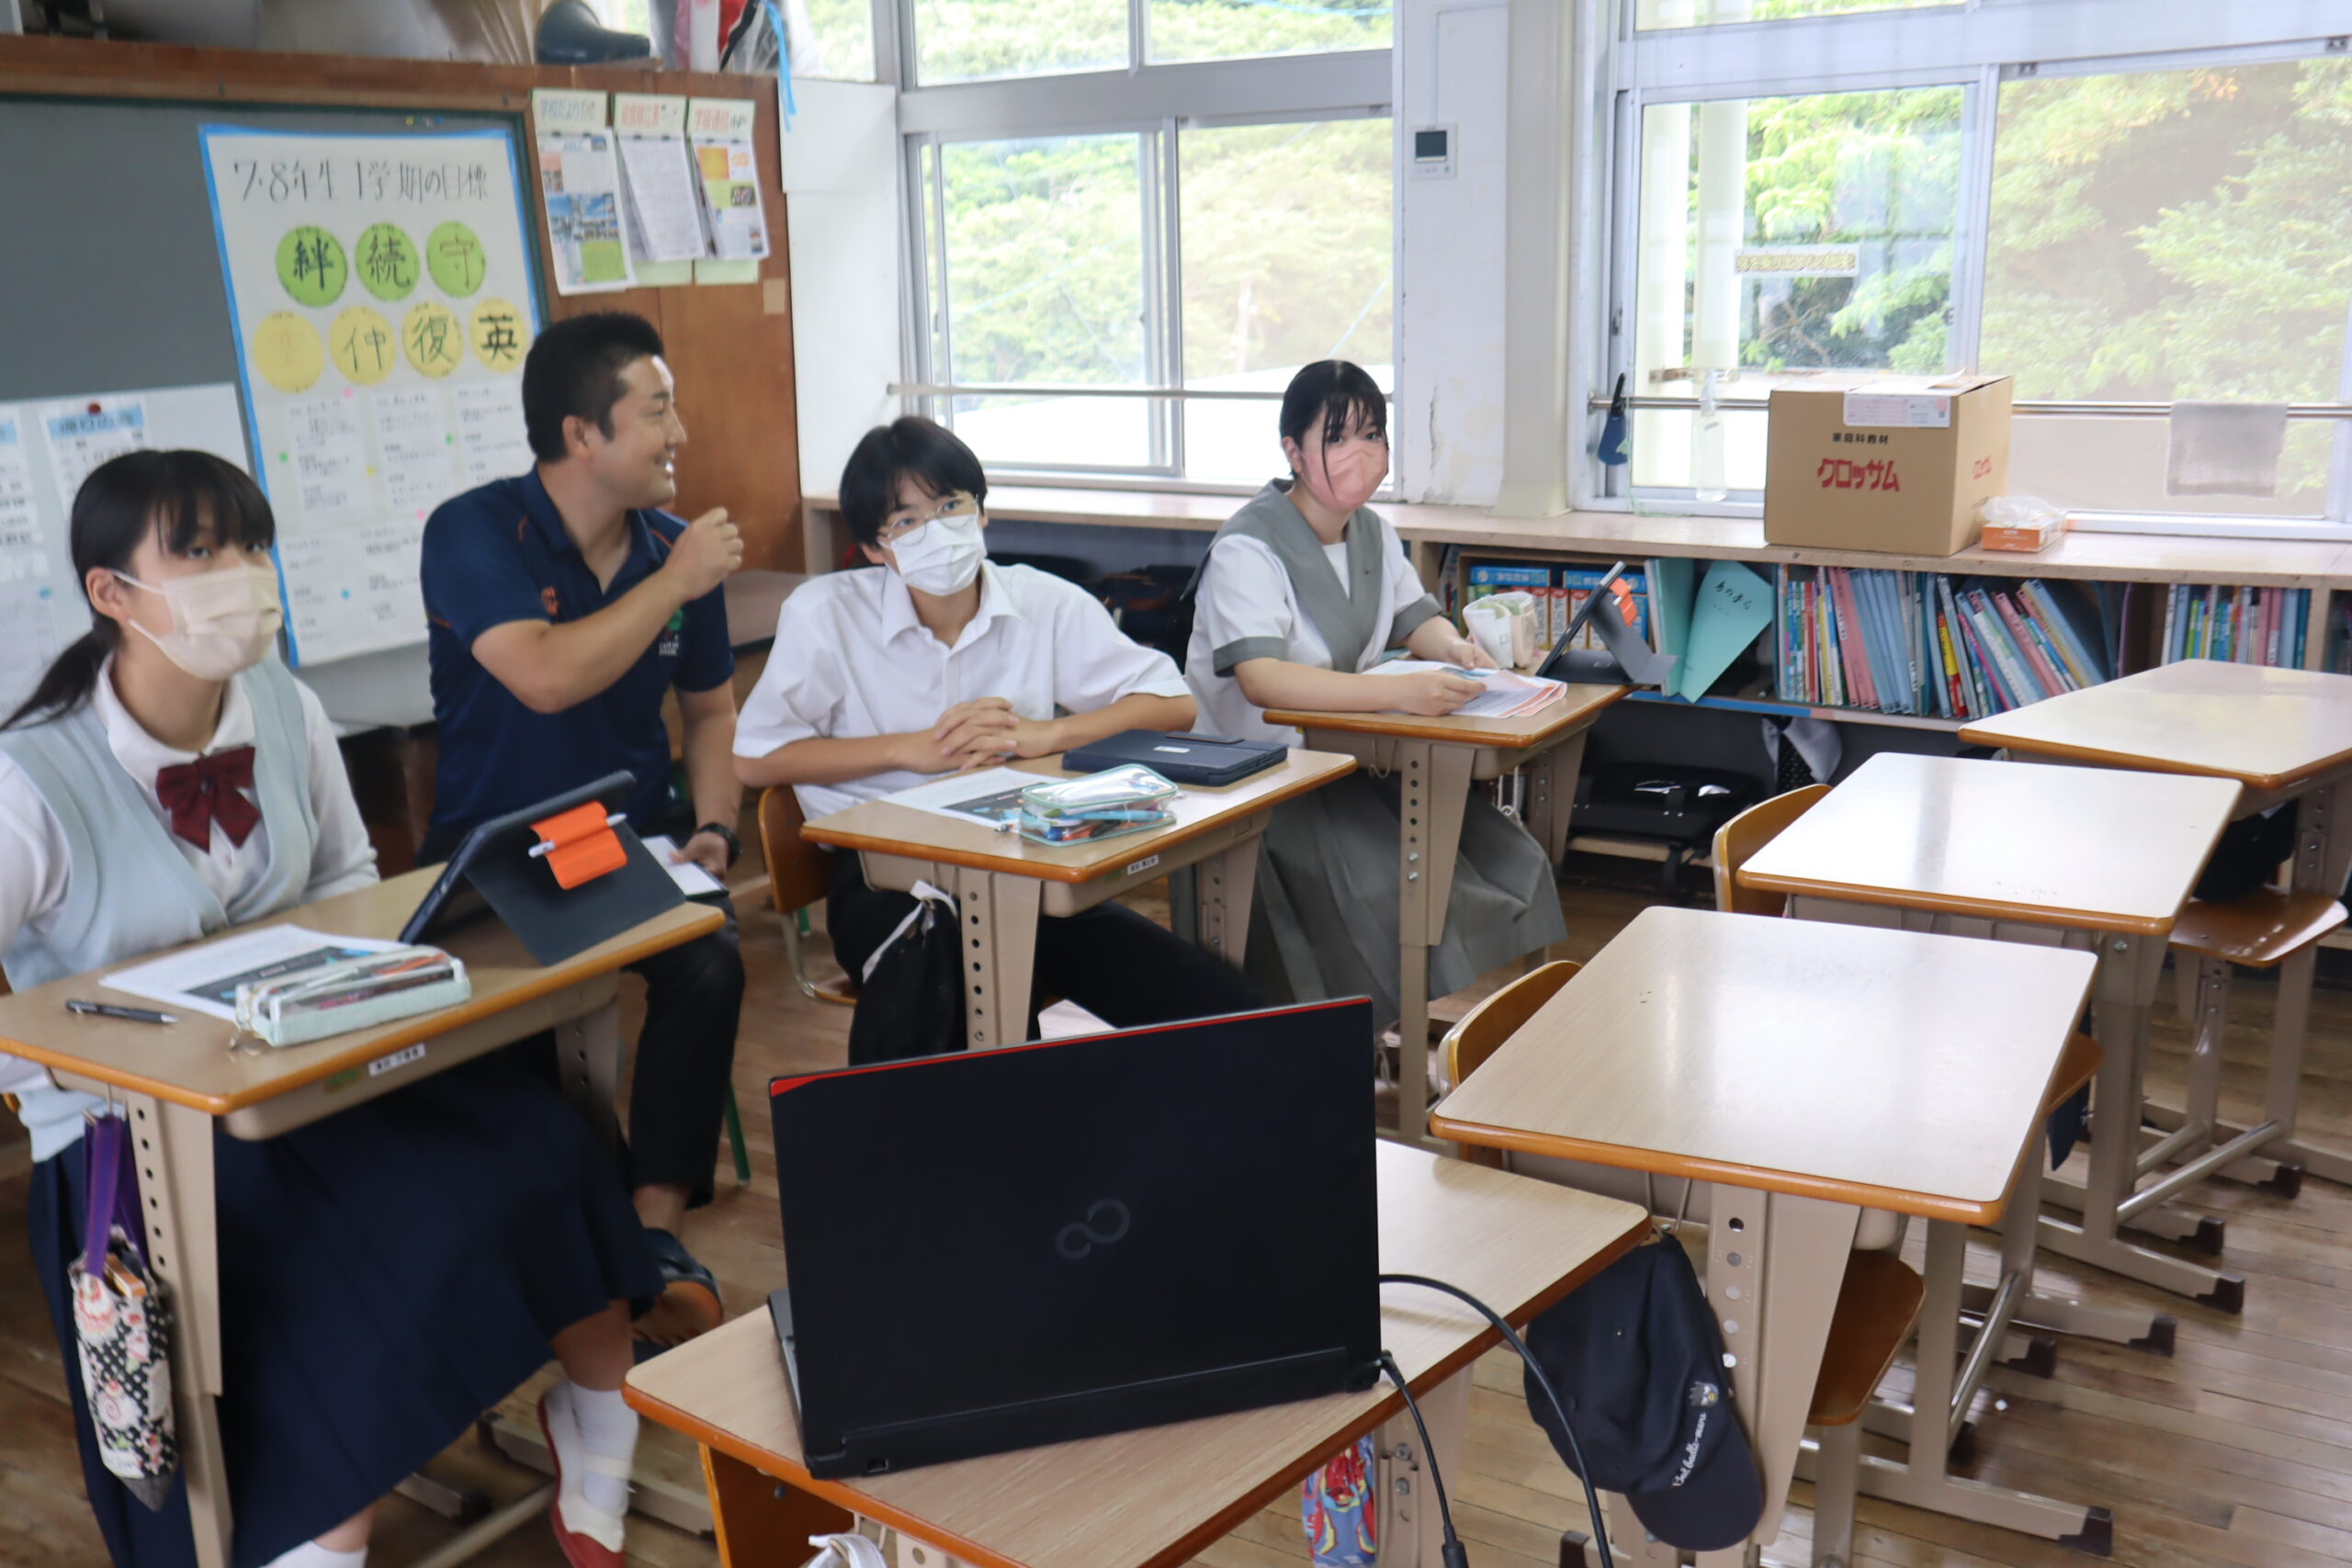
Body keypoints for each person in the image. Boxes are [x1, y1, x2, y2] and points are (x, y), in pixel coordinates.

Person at [0, 450, 655, 1568]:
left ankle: (603, 1418)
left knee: (542, 1146)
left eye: (250, 546)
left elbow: (349, 884)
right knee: (339, 1282)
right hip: (144, 1136)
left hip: (317, 1074)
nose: (240, 574)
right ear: (112, 593)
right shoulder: (31, 779)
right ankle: (323, 1528)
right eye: (198, 551)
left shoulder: (279, 701)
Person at [418, 311, 742, 1341]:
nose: (680, 432)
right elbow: (546, 676)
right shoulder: (473, 530)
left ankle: (652, 1233)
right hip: (489, 858)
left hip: (619, 846)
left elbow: (710, 710)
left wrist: (718, 828)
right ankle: (571, 1253)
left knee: (711, 956)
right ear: (582, 435)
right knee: (515, 1071)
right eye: (657, 412)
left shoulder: (670, 550)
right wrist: (676, 583)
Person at [733, 415, 1263, 1039]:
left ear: (981, 513)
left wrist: (1046, 734)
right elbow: (758, 758)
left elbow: (1172, 702)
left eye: (951, 505)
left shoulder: (1042, 601)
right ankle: (969, 1131)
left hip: (1025, 867)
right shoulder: (827, 615)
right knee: (954, 981)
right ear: (876, 548)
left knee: (1215, 1001)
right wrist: (911, 750)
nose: (937, 532)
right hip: (887, 879)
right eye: (907, 521)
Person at [1185, 359, 1566, 1024]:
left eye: (1371, 434)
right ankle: (1362, 1043)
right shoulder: (1248, 549)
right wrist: (1397, 696)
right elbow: (1262, 678)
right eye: (1336, 437)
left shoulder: (1371, 532)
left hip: (1351, 762)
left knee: (1511, 857)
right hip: (1269, 782)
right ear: (1293, 452)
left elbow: (1412, 616)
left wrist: (1458, 650)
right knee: (1393, 890)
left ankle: (1458, 1035)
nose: (1358, 454)